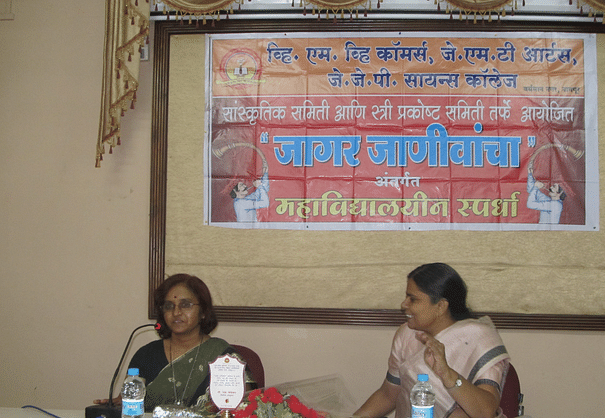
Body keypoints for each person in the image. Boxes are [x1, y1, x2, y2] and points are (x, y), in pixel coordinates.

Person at [354, 263, 510, 418]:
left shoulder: (479, 337)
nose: (404, 304)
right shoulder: (407, 334)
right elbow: (388, 395)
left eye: (413, 299)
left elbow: (485, 412)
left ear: (441, 306)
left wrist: (447, 374)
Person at [94, 273, 256, 412]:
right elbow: (130, 403)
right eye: (168, 306)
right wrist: (117, 404)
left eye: (185, 305)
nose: (176, 312)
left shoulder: (224, 356)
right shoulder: (145, 355)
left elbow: (245, 407)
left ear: (203, 312)